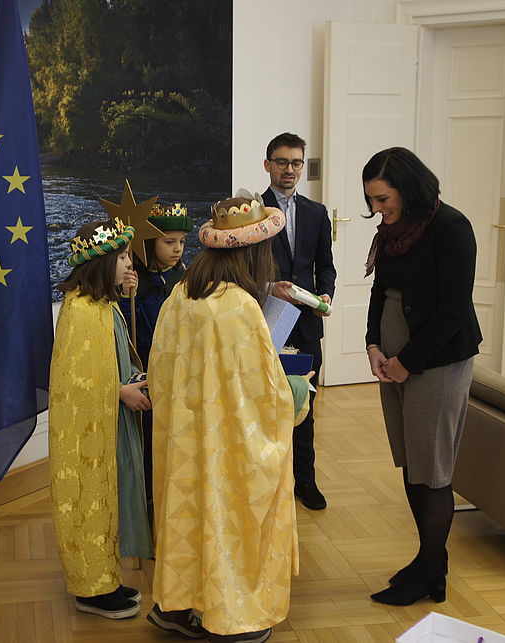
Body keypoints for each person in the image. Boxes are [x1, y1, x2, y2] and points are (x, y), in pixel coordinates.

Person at [147, 194, 312, 643]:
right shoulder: (240, 307)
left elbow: (158, 370)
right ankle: (230, 616)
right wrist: (299, 388)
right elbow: (266, 397)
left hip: (183, 443)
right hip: (225, 449)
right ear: (255, 252)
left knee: (187, 519)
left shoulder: (182, 294)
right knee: (225, 520)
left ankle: (178, 608)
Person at [362, 147, 482, 606]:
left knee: (432, 472)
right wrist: (373, 346)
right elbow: (380, 290)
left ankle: (429, 571)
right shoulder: (393, 230)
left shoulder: (451, 228)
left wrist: (407, 361)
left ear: (407, 187)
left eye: (382, 198)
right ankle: (429, 561)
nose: (376, 208)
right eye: (371, 200)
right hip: (394, 363)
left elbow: (454, 310)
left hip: (436, 364)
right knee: (413, 464)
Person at [49, 217, 154, 620]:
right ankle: (90, 588)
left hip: (107, 422)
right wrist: (121, 392)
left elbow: (106, 362)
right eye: (123, 256)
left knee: (107, 501)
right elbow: (77, 384)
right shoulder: (80, 311)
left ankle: (105, 577)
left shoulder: (100, 303)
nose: (131, 264)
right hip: (88, 434)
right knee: (89, 500)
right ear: (100, 261)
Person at [262, 132, 336, 511]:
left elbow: (327, 267)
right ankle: (267, 484)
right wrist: (268, 286)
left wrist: (326, 295)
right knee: (263, 407)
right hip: (265, 327)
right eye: (281, 162)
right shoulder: (250, 211)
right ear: (267, 165)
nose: (289, 170)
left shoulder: (316, 213)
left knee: (304, 405)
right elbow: (239, 273)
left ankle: (305, 481)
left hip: (306, 326)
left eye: (296, 163)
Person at [118, 202, 193, 519]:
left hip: (183, 370)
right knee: (150, 440)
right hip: (149, 372)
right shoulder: (135, 282)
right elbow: (123, 333)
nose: (177, 249)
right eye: (169, 242)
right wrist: (125, 296)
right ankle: (147, 505)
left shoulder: (184, 276)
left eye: (181, 242)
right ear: (150, 242)